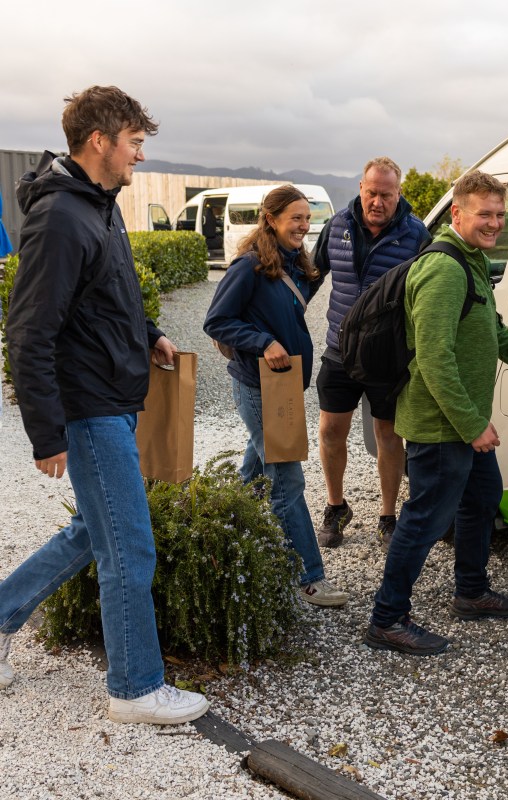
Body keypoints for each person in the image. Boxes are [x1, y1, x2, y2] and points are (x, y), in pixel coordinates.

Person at [1, 86, 209, 724]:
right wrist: (46, 434)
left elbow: (109, 293)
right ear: (100, 141)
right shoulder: (62, 216)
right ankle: (136, 687)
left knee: (95, 531)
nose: (139, 156)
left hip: (114, 397)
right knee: (130, 546)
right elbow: (29, 331)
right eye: (135, 144)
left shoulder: (100, 205)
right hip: (88, 408)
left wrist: (149, 335)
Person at [364, 171, 508, 655]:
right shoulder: (444, 269)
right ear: (457, 213)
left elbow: (487, 324)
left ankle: (471, 592)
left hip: (464, 422)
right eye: (484, 214)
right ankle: (387, 619)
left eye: (499, 214)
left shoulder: (471, 261)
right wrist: (473, 426)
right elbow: (433, 357)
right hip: (442, 424)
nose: (494, 223)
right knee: (425, 519)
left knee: (483, 496)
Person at [204, 185, 349, 608]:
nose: (303, 226)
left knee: (255, 471)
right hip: (257, 386)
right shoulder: (249, 267)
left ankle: (220, 535)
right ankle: (309, 578)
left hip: (283, 388)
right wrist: (263, 341)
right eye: (295, 218)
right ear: (270, 219)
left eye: (307, 218)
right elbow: (216, 321)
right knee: (286, 478)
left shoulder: (295, 264)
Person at [314, 157, 430, 552]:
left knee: (387, 434)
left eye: (386, 194)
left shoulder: (416, 235)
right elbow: (309, 277)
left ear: (399, 194)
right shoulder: (337, 227)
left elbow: (427, 294)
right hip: (338, 348)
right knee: (331, 430)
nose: (377, 201)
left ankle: (387, 515)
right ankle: (335, 506)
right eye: (371, 192)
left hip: (385, 355)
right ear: (361, 188)